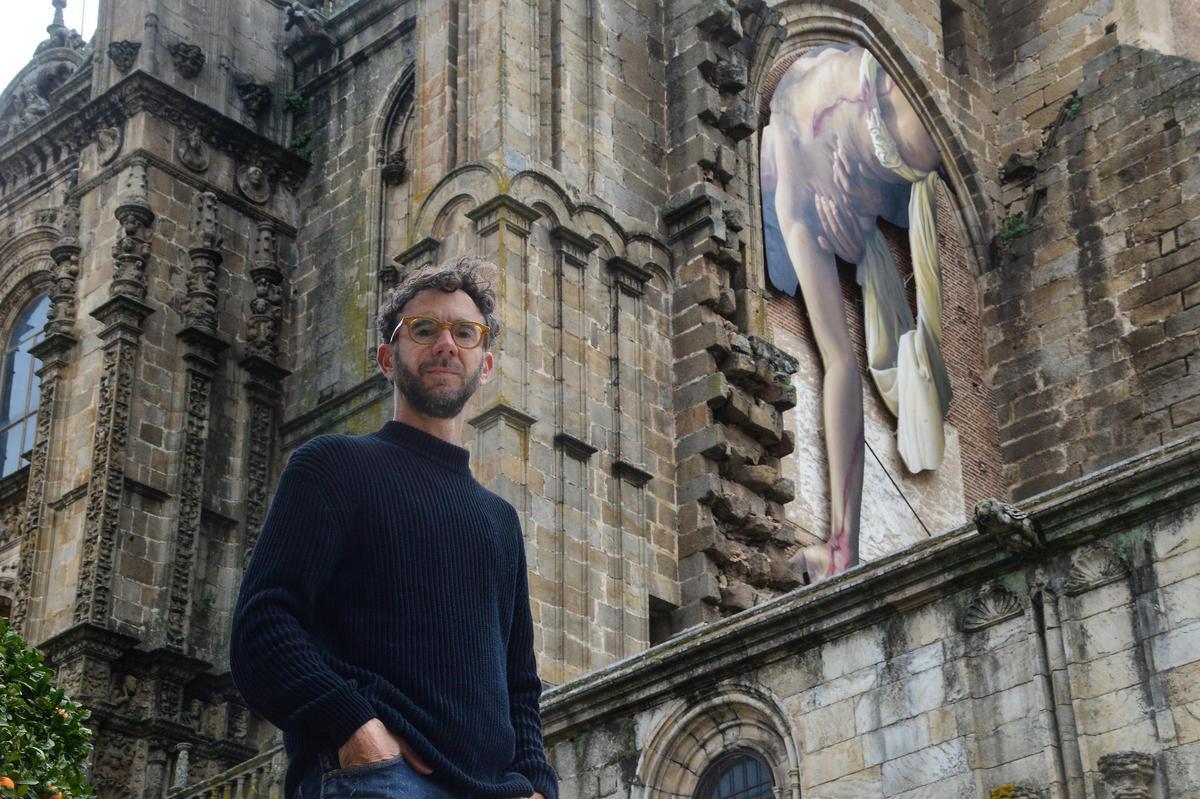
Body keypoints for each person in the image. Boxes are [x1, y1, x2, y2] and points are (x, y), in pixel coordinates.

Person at [230, 256, 557, 799]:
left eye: (464, 332)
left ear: (487, 363)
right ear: (388, 357)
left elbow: (518, 686)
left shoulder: (498, 520)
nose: (446, 344)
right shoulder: (333, 466)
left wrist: (538, 786)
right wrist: (354, 726)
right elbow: (262, 629)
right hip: (380, 780)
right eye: (424, 329)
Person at [761, 45, 951, 579]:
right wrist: (843, 545)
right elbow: (839, 362)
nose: (868, 201)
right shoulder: (794, 197)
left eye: (879, 188)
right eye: (870, 180)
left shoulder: (868, 76)